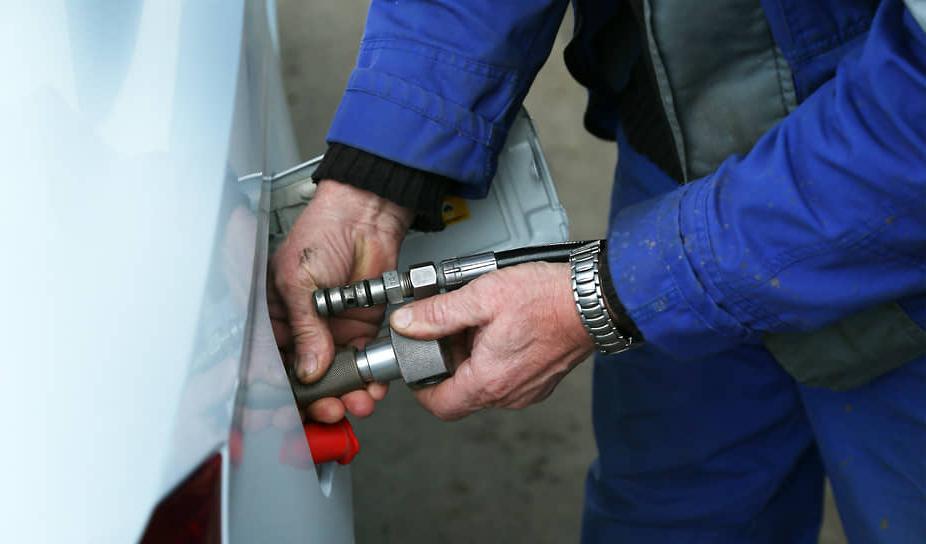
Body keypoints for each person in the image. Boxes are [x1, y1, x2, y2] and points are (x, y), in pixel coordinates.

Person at [268, 1, 926, 541]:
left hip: (890, 217)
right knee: (671, 514)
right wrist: (375, 186)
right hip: (678, 157)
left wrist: (611, 295)